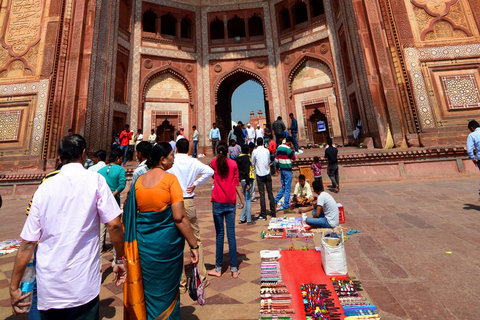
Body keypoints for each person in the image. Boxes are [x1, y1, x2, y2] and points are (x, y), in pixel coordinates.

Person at [10, 134, 126, 319]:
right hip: (83, 283)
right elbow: (114, 225)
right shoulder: (95, 181)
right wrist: (119, 259)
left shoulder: (44, 188)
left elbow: (27, 243)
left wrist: (14, 286)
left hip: (49, 284)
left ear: (59, 157)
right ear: (83, 154)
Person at [123, 142, 199, 320]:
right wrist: (194, 245)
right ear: (163, 160)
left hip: (144, 244)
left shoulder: (139, 182)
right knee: (167, 288)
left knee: (148, 289)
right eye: (171, 155)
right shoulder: (170, 180)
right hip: (166, 245)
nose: (174, 158)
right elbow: (179, 217)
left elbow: (131, 214)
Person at [168, 138, 214, 292]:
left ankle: (180, 284)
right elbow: (210, 171)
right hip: (187, 202)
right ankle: (201, 276)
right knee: (195, 238)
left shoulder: (171, 162)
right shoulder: (192, 161)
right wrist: (195, 183)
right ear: (188, 149)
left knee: (176, 241)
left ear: (175, 149)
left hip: (173, 203)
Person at [208, 142, 244, 278]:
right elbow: (236, 183)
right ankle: (234, 269)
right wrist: (241, 200)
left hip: (217, 201)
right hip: (230, 202)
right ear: (228, 152)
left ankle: (218, 268)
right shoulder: (233, 164)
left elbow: (213, 175)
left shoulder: (213, 162)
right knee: (231, 235)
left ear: (217, 152)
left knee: (219, 236)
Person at [98, 149, 126, 255]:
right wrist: (112, 195)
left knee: (101, 232)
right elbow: (122, 185)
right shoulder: (120, 169)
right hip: (114, 203)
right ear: (118, 159)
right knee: (116, 230)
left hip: (102, 203)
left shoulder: (101, 170)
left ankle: (99, 262)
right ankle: (117, 258)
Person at [251, 138, 275, 221]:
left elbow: (253, 162)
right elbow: (268, 161)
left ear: (257, 143)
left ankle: (263, 214)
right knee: (270, 193)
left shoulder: (255, 151)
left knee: (262, 194)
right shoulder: (266, 151)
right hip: (267, 172)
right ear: (263, 143)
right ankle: (273, 212)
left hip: (259, 174)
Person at [274, 136, 296, 213]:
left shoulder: (279, 148)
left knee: (283, 187)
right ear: (290, 142)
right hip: (287, 169)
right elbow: (293, 157)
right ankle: (286, 206)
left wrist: (277, 169)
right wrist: (292, 149)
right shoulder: (288, 149)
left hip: (282, 169)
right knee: (287, 188)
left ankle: (275, 200)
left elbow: (276, 160)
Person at [236, 145, 255, 225]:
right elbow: (247, 171)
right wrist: (247, 183)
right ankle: (249, 219)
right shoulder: (247, 158)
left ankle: (242, 218)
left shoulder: (238, 158)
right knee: (248, 199)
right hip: (247, 179)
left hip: (241, 179)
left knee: (244, 198)